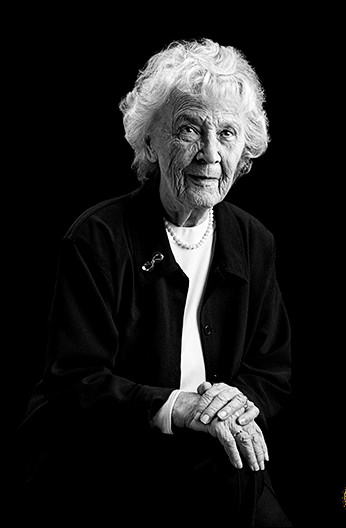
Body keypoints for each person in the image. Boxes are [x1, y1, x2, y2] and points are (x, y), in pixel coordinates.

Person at [18, 38, 292, 527]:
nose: (211, 154)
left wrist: (233, 404)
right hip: (108, 463)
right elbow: (75, 384)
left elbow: (271, 370)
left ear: (245, 150)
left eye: (227, 133)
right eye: (189, 129)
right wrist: (177, 407)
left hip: (210, 458)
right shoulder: (97, 238)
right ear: (150, 142)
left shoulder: (253, 241)